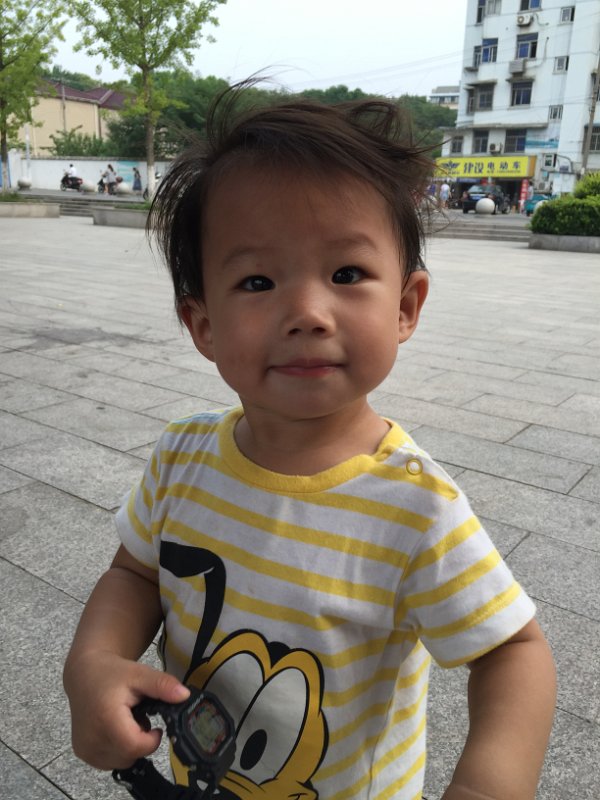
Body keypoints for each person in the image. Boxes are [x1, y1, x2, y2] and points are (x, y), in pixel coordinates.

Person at [63, 90, 556, 800]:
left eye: (346, 275)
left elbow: (513, 651)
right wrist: (92, 662)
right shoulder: (182, 457)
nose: (307, 313)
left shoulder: (413, 504)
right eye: (258, 281)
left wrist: (489, 785)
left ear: (405, 306)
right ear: (203, 325)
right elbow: (135, 576)